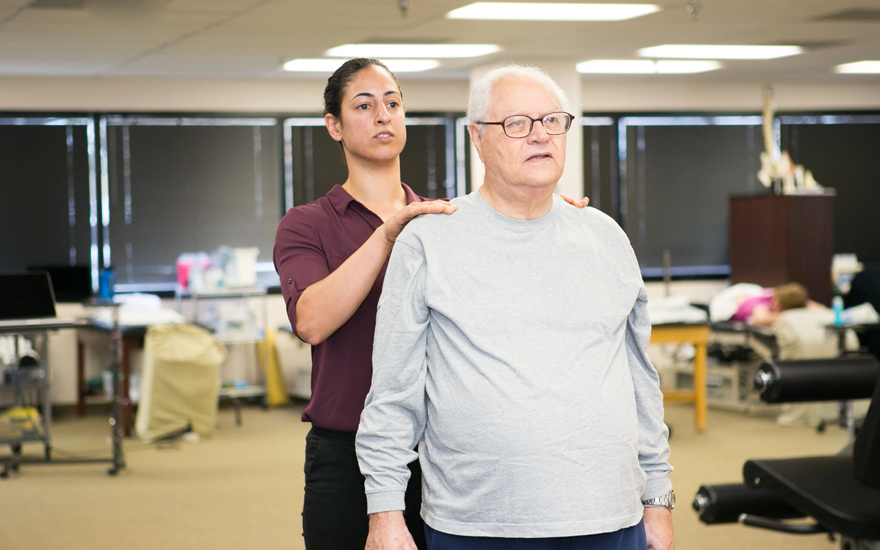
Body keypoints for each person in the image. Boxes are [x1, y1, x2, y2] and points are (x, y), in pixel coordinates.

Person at [356, 65, 674, 550]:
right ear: (477, 138)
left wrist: (658, 496)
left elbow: (640, 381)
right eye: (517, 124)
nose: (539, 136)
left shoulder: (606, 237)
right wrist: (385, 512)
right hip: (479, 522)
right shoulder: (429, 239)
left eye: (552, 121)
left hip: (609, 516)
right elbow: (394, 390)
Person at [273, 58, 457, 550]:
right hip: (346, 452)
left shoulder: (445, 221)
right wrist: (387, 234)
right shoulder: (306, 224)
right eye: (364, 105)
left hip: (441, 450)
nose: (384, 115)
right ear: (333, 125)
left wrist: (542, 221)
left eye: (393, 103)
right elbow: (311, 321)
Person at [730, 282, 811, 326]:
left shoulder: (794, 297)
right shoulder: (761, 303)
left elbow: (820, 309)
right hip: (733, 297)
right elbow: (760, 319)